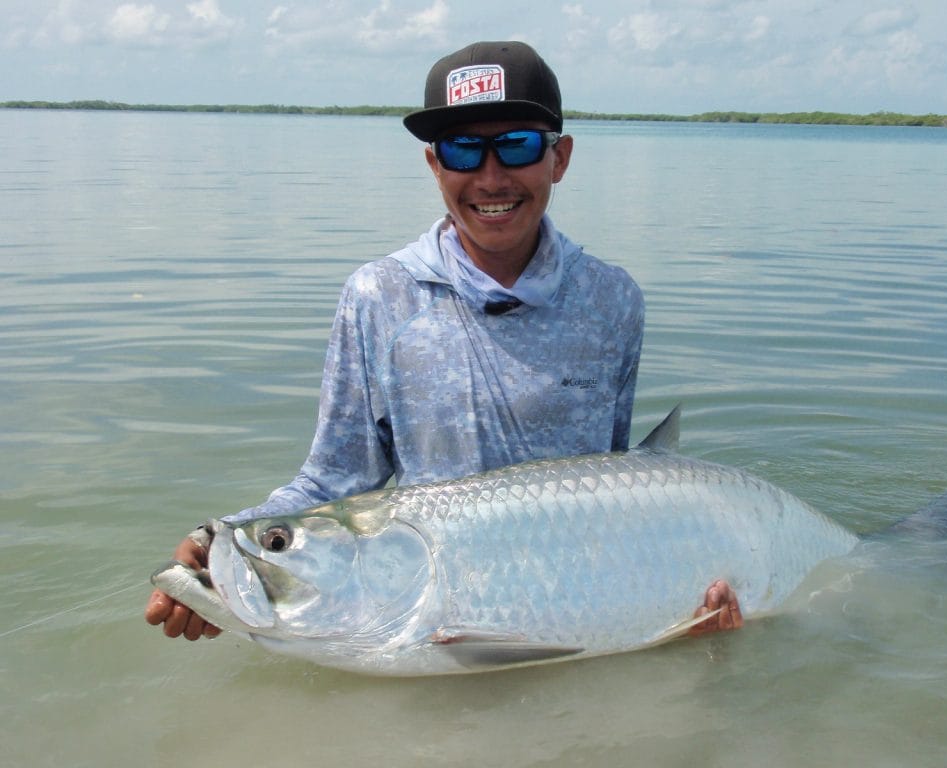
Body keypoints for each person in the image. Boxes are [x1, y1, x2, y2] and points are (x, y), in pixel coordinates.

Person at [145, 40, 742, 643]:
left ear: (559, 158)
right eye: (463, 149)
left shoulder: (612, 300)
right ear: (435, 164)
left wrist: (674, 599)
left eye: (516, 145)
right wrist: (218, 539)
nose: (490, 178)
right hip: (437, 616)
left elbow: (615, 483)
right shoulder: (379, 297)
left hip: (577, 614)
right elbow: (335, 477)